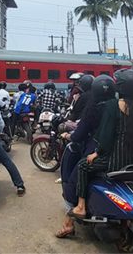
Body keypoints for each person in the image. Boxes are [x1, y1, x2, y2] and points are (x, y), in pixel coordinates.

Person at [67, 69, 133, 219]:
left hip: (114, 163)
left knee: (83, 166)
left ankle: (81, 207)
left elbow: (106, 135)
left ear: (120, 87)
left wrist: (97, 152)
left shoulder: (112, 105)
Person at [55, 75, 117, 238]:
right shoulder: (120, 106)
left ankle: (68, 224)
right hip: (119, 153)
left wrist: (69, 136)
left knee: (73, 182)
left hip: (96, 150)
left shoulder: (93, 107)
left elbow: (79, 133)